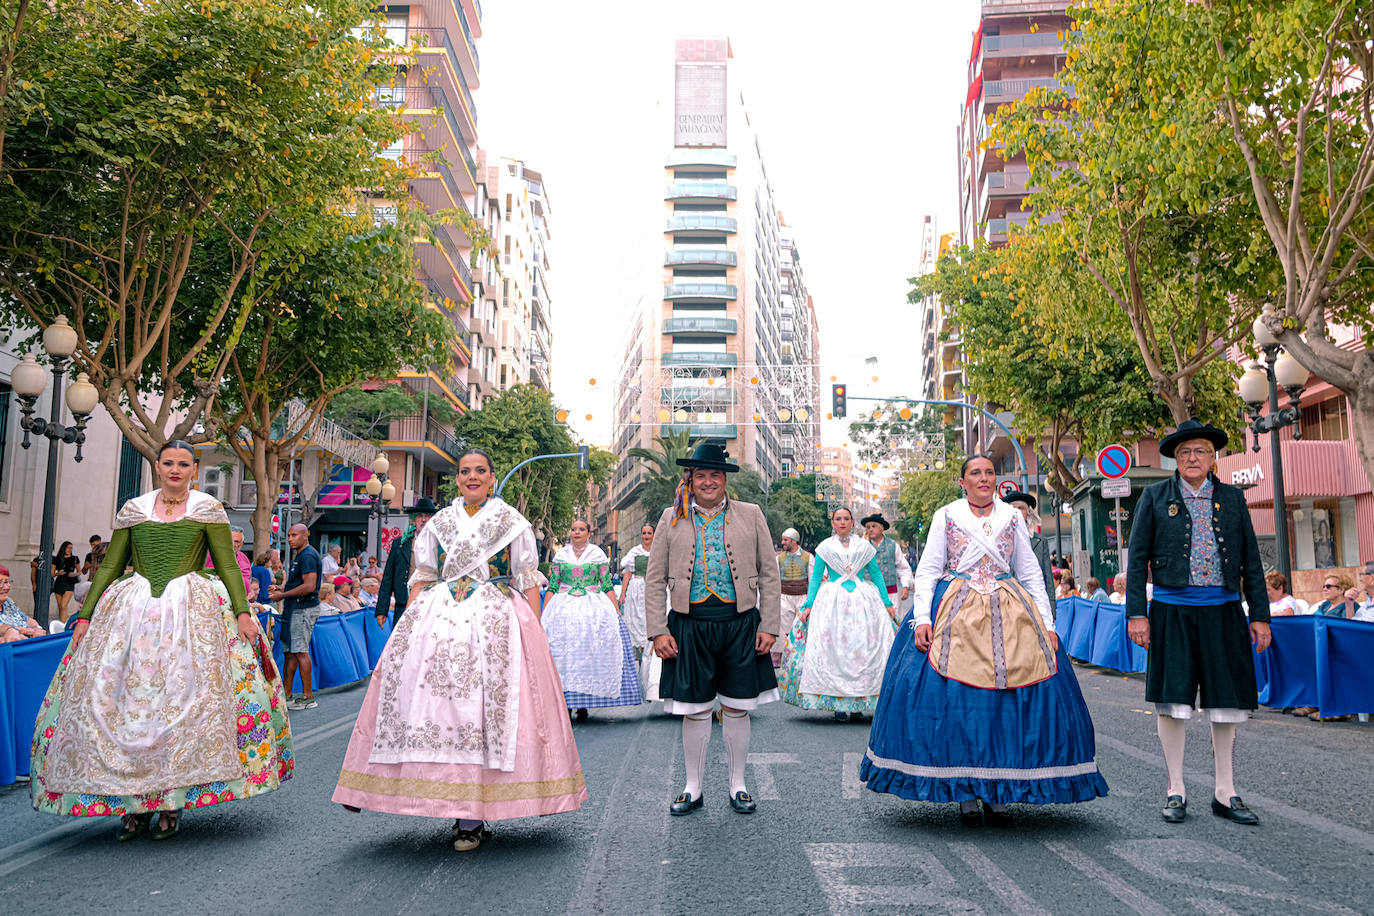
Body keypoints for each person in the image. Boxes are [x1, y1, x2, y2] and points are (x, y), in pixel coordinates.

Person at [29, 440, 291, 840]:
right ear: (157, 465)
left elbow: (226, 566)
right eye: (168, 462)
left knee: (181, 705)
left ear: (193, 469)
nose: (174, 469)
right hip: (132, 614)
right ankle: (133, 803)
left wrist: (242, 613)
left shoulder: (208, 508)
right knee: (127, 707)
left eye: (183, 464)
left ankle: (170, 801)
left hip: (191, 613)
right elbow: (112, 565)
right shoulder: (134, 510)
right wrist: (85, 616)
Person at [332, 448, 587, 852]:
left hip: (498, 620)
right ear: (458, 479)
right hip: (440, 619)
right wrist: (408, 630)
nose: (472, 477)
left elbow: (527, 578)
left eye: (480, 471)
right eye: (465, 471)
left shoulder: (512, 522)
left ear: (491, 477)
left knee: (485, 712)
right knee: (435, 712)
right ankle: (434, 799)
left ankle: (472, 816)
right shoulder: (439, 523)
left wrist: (536, 632)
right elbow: (423, 577)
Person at [862, 455, 1108, 826]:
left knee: (1005, 705)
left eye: (989, 472)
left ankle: (999, 791)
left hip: (1010, 607)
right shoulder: (946, 515)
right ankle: (964, 791)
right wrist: (923, 619)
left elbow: (1028, 572)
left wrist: (1046, 622)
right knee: (960, 705)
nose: (983, 478)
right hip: (956, 609)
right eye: (975, 473)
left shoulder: (1012, 517)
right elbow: (928, 569)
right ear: (962, 481)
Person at [1125, 419, 1271, 827]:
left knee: (1226, 701)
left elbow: (1251, 564)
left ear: (1212, 458)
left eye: (1201, 451)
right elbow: (1136, 562)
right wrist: (1137, 613)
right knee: (1173, 701)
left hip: (1224, 610)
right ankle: (1176, 788)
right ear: (1175, 457)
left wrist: (1259, 615)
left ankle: (1226, 790)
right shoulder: (1154, 497)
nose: (1193, 458)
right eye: (1186, 452)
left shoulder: (1233, 499)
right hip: (1171, 610)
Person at [644, 441, 781, 816]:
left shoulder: (751, 514)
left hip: (739, 624)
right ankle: (693, 787)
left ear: (724, 480)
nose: (708, 482)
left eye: (715, 475)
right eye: (700, 475)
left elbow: (770, 573)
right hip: (688, 626)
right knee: (695, 710)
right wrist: (658, 630)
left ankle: (738, 785)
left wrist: (769, 625)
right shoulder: (670, 518)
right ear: (689, 480)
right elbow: (654, 578)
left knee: (737, 708)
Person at [780, 507, 895, 722]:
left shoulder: (864, 546)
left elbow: (876, 573)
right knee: (834, 651)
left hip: (862, 601)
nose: (842, 522)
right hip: (831, 602)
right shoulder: (825, 547)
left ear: (852, 523)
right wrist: (809, 604)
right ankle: (839, 705)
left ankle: (860, 702)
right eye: (838, 519)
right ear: (832, 523)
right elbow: (815, 578)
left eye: (846, 519)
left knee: (861, 650)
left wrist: (887, 602)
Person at [544, 520, 640, 720]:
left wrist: (616, 610)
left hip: (592, 607)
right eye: (573, 529)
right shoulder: (561, 555)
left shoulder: (597, 554)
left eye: (581, 529)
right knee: (563, 655)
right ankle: (566, 701)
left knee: (588, 654)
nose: (576, 532)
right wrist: (543, 615)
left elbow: (605, 585)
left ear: (588, 533)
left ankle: (583, 703)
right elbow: (553, 586)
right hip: (563, 608)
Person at [269, 524, 322, 711]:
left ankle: (308, 697)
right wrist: (282, 589)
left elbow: (309, 586)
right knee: (290, 652)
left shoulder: (307, 555)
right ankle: (288, 694)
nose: (290, 538)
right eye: (289, 535)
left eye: (294, 535)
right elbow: (301, 583)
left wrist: (282, 595)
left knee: (299, 651)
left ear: (305, 536)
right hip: (295, 607)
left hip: (303, 608)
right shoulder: (301, 555)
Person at [377, 497, 437, 628]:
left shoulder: (440, 545)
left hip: (430, 606)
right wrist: (382, 610)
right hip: (403, 605)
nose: (424, 519)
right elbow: (388, 577)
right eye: (420, 516)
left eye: (427, 516)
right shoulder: (400, 543)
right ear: (414, 519)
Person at [618, 523, 657, 659]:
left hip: (654, 587)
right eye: (644, 533)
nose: (646, 536)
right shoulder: (635, 552)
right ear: (641, 535)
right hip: (637, 588)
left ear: (654, 534)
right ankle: (635, 651)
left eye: (649, 533)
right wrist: (623, 593)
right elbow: (628, 573)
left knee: (650, 615)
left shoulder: (659, 550)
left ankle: (650, 646)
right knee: (635, 616)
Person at [775, 528, 813, 667]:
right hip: (784, 597)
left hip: (802, 597)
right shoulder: (779, 558)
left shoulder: (808, 557)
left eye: (785, 540)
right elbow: (776, 579)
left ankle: (801, 659)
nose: (782, 542)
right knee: (784, 629)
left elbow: (812, 579)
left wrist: (810, 600)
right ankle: (785, 657)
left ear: (793, 541)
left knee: (801, 628)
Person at [862, 513, 913, 614]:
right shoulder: (862, 548)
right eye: (868, 527)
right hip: (868, 596)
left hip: (891, 595)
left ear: (881, 529)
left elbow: (903, 568)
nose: (870, 529)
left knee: (891, 625)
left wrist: (906, 586)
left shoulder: (893, 546)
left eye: (873, 526)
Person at [0, 566, 47, 641]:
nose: (6, 587)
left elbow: (27, 619)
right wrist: (12, 630)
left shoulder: (8, 602)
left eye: (6, 582)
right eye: (0, 582)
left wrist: (36, 628)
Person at [51, 541, 79, 623]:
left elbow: (79, 571)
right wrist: (57, 573)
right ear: (64, 548)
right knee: (60, 606)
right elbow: (52, 574)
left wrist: (74, 574)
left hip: (69, 583)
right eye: (68, 548)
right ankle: (61, 623)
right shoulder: (57, 559)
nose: (70, 549)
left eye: (71, 548)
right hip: (59, 582)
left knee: (64, 605)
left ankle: (63, 624)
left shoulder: (75, 558)